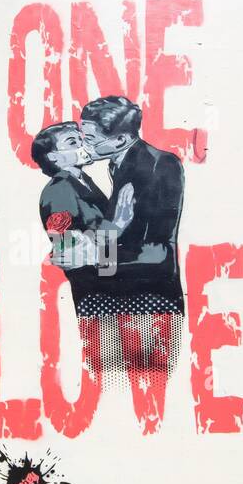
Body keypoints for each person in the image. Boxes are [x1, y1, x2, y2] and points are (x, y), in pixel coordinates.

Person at [53, 95, 184, 375]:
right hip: (112, 302)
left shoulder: (160, 166)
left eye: (89, 138)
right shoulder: (99, 172)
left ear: (121, 141)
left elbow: (157, 250)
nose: (83, 143)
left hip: (148, 303)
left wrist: (92, 256)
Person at [31, 121, 133, 314]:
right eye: (72, 142)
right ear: (54, 157)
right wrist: (118, 226)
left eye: (81, 139)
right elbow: (67, 247)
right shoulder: (58, 190)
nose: (82, 145)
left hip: (108, 277)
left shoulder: (84, 181)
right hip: (91, 285)